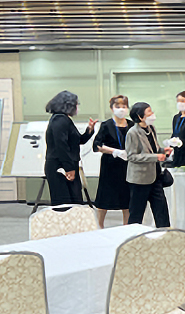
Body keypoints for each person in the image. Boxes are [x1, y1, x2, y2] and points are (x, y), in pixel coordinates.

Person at [44, 91, 96, 206]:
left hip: (67, 165)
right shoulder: (60, 120)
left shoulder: (64, 120)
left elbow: (78, 141)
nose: (77, 107)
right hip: (61, 167)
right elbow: (61, 145)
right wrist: (69, 168)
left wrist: (89, 131)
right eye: (76, 104)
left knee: (74, 201)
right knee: (65, 203)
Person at [125, 102, 173, 228]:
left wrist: (163, 151)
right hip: (139, 180)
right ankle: (132, 238)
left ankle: (166, 235)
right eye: (149, 112)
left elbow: (154, 149)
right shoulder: (132, 133)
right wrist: (155, 157)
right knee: (137, 213)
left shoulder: (151, 129)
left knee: (161, 210)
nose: (152, 115)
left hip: (155, 176)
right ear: (140, 117)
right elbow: (131, 156)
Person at [92, 95, 134, 227]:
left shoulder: (132, 125)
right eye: (118, 107)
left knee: (127, 197)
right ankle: (99, 225)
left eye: (124, 106)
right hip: (110, 166)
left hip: (127, 165)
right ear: (111, 108)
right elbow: (96, 146)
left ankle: (126, 226)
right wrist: (114, 151)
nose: (121, 109)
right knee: (105, 195)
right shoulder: (106, 125)